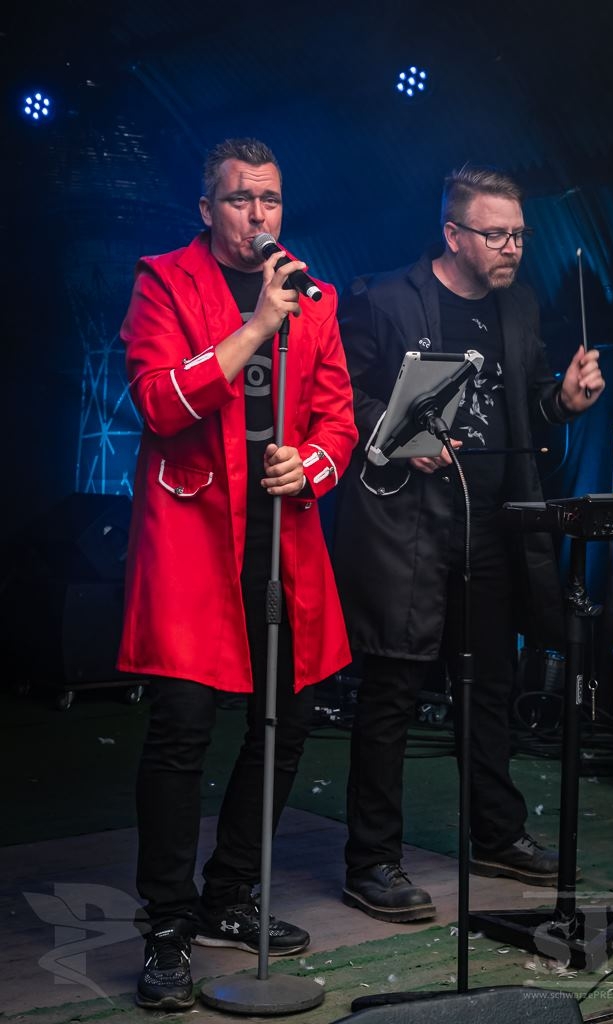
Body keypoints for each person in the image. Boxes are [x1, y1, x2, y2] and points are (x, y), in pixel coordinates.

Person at [117, 137, 357, 1009]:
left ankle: (227, 895)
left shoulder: (312, 296)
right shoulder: (163, 281)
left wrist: (310, 464)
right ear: (206, 209)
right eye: (239, 199)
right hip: (191, 536)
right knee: (181, 728)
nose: (258, 215)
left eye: (271, 199)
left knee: (286, 720)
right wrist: (255, 325)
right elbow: (156, 401)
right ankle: (167, 925)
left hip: (280, 538)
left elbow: (338, 417)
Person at [332, 165, 605, 923]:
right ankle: (371, 860)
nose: (512, 247)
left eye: (519, 234)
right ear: (452, 235)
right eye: (496, 234)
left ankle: (497, 834)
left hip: (491, 525)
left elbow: (530, 404)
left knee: (488, 688)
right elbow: (339, 395)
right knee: (391, 692)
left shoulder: (520, 305)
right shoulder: (385, 299)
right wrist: (400, 433)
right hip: (406, 529)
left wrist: (563, 402)